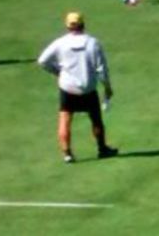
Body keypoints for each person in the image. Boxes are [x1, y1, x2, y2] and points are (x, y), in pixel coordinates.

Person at [37, 12, 118, 163]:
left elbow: (42, 61)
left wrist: (58, 72)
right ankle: (102, 149)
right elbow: (101, 69)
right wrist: (107, 88)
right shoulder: (93, 43)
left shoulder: (60, 43)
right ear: (83, 24)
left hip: (68, 87)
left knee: (65, 118)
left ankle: (67, 154)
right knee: (96, 119)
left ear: (67, 26)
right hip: (88, 88)